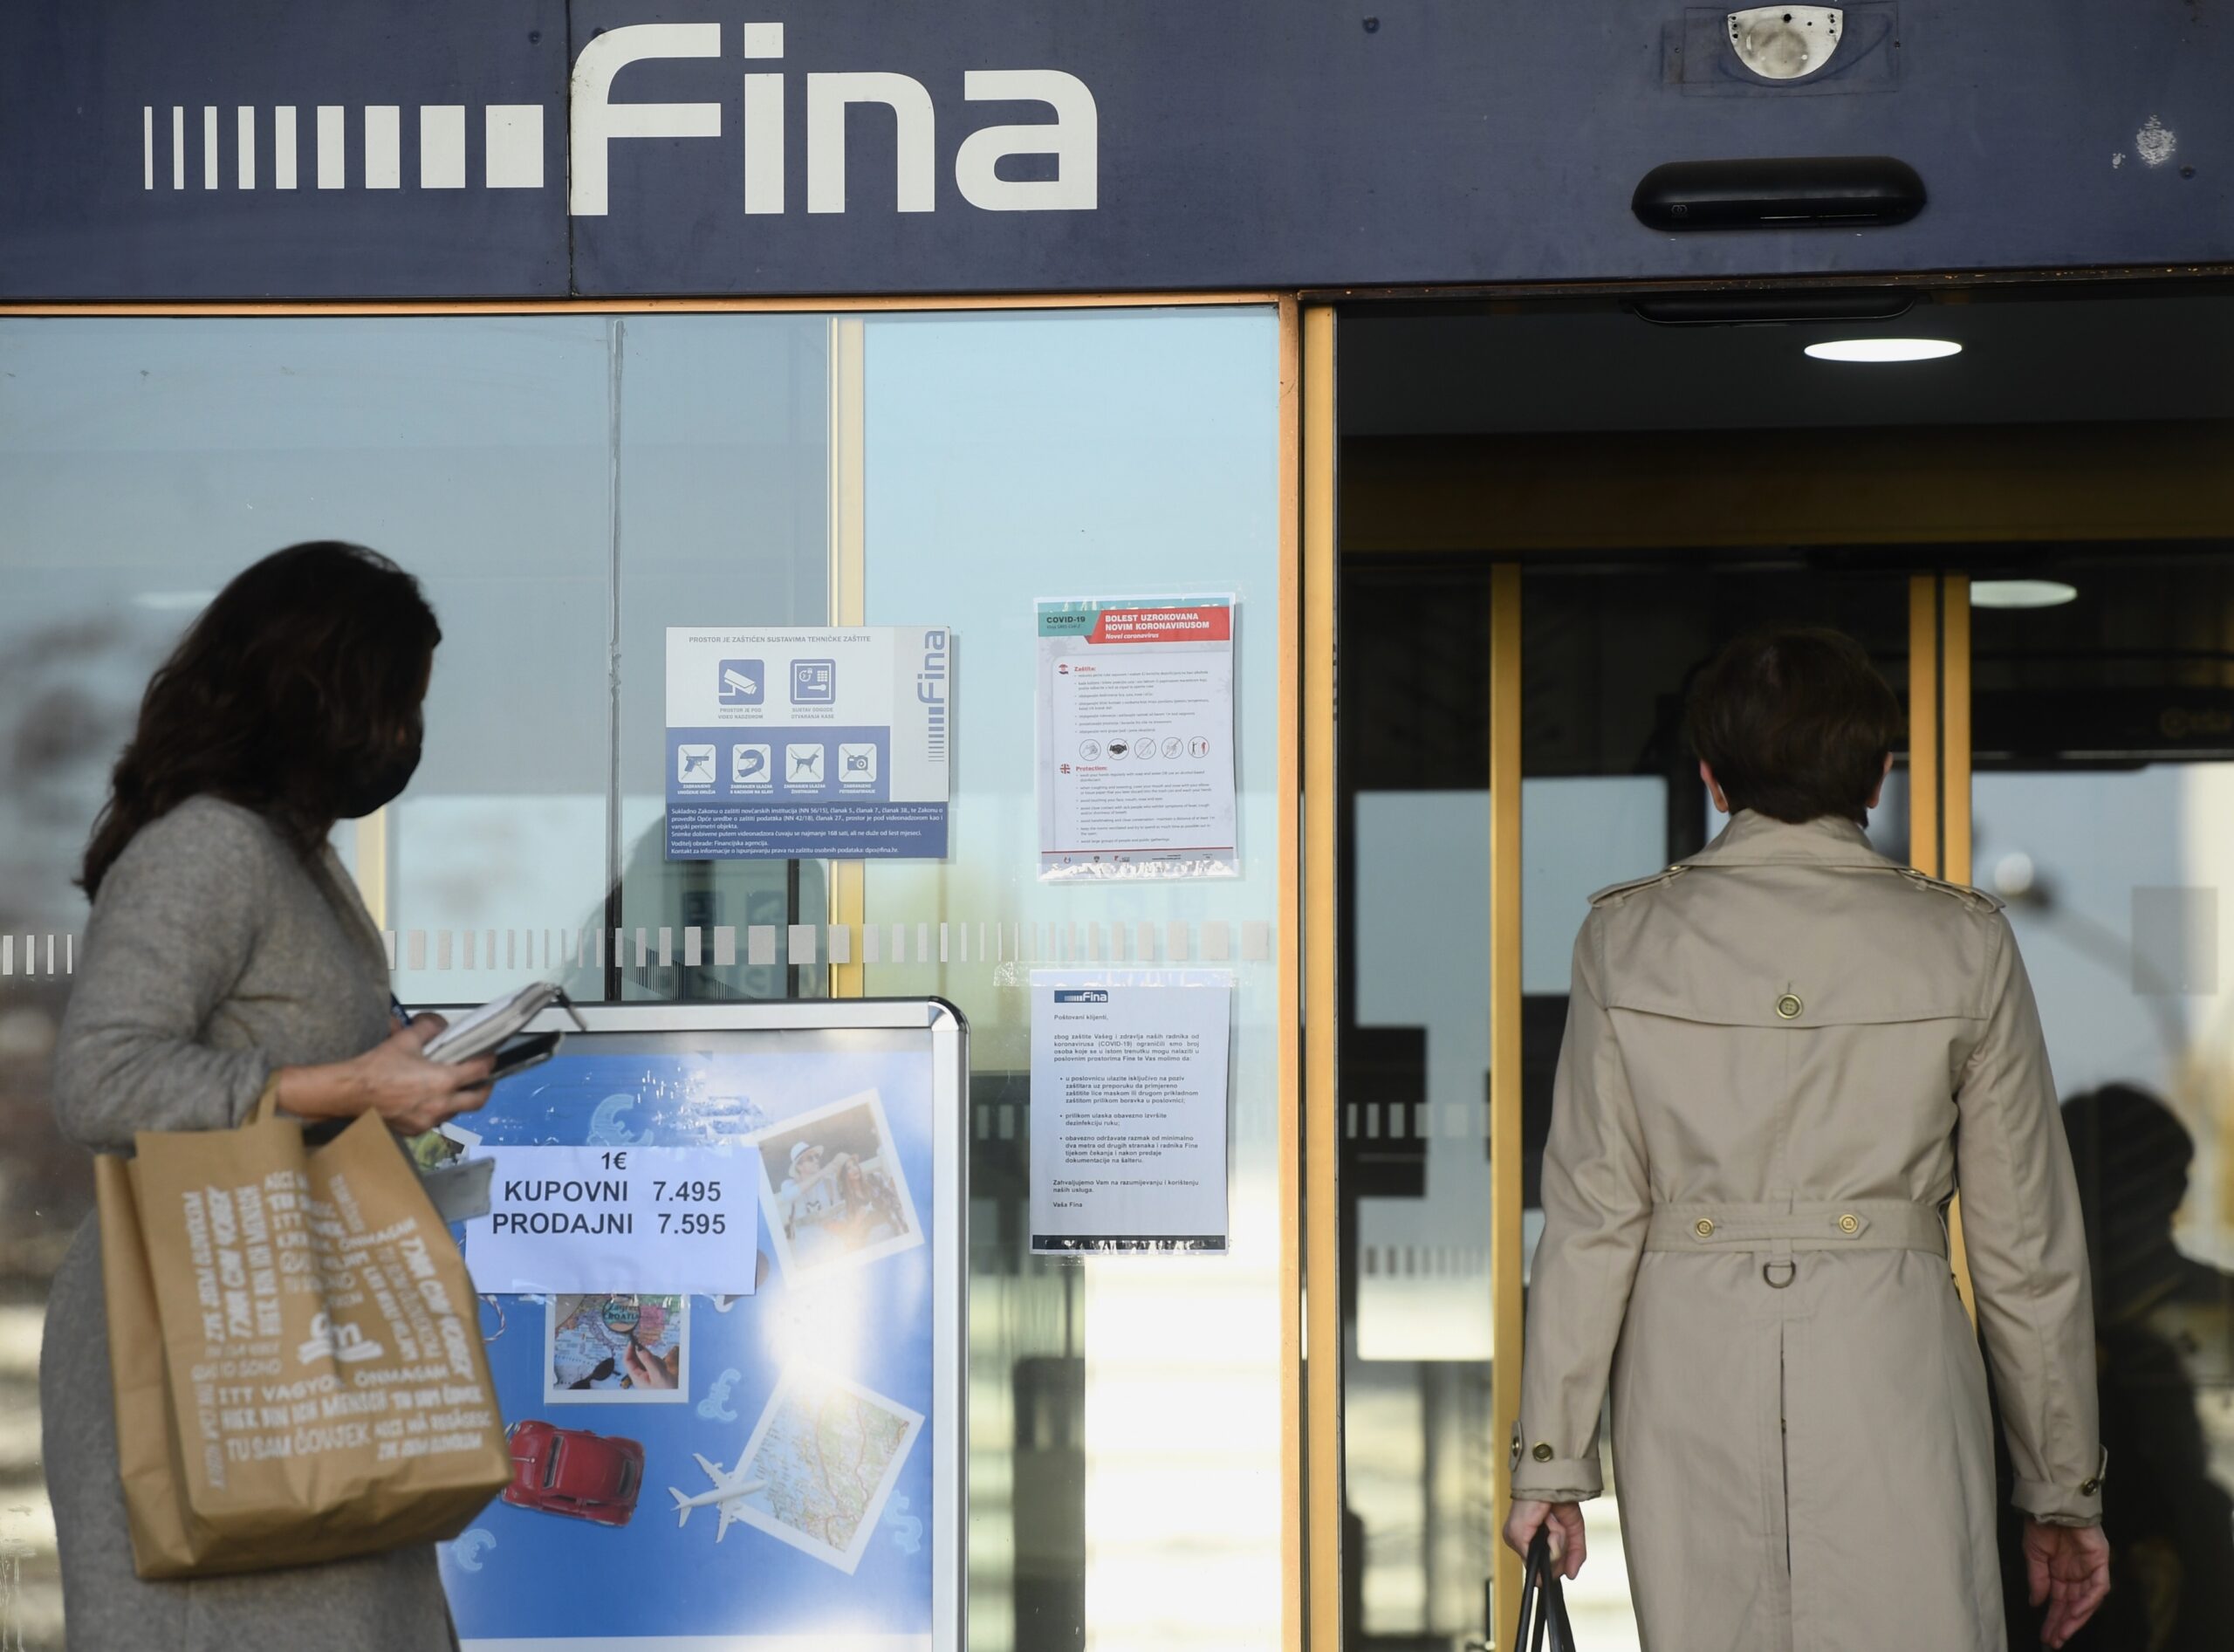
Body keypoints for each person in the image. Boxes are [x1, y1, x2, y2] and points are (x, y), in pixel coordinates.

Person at [1504, 627, 2110, 1651]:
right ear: (1878, 775)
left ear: (1710, 775)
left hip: (1687, 1366)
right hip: (1891, 1361)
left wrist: (1551, 1466)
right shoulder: (1962, 940)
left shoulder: (1624, 939)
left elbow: (1592, 1218)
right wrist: (2061, 1488)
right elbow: (2025, 1248)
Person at [43, 543, 496, 1651]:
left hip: (286, 1335)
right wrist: (354, 1084)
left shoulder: (296, 860)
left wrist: (390, 1067)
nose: (408, 735)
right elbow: (100, 1079)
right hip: (208, 1352)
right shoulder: (207, 848)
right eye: (400, 702)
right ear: (324, 692)